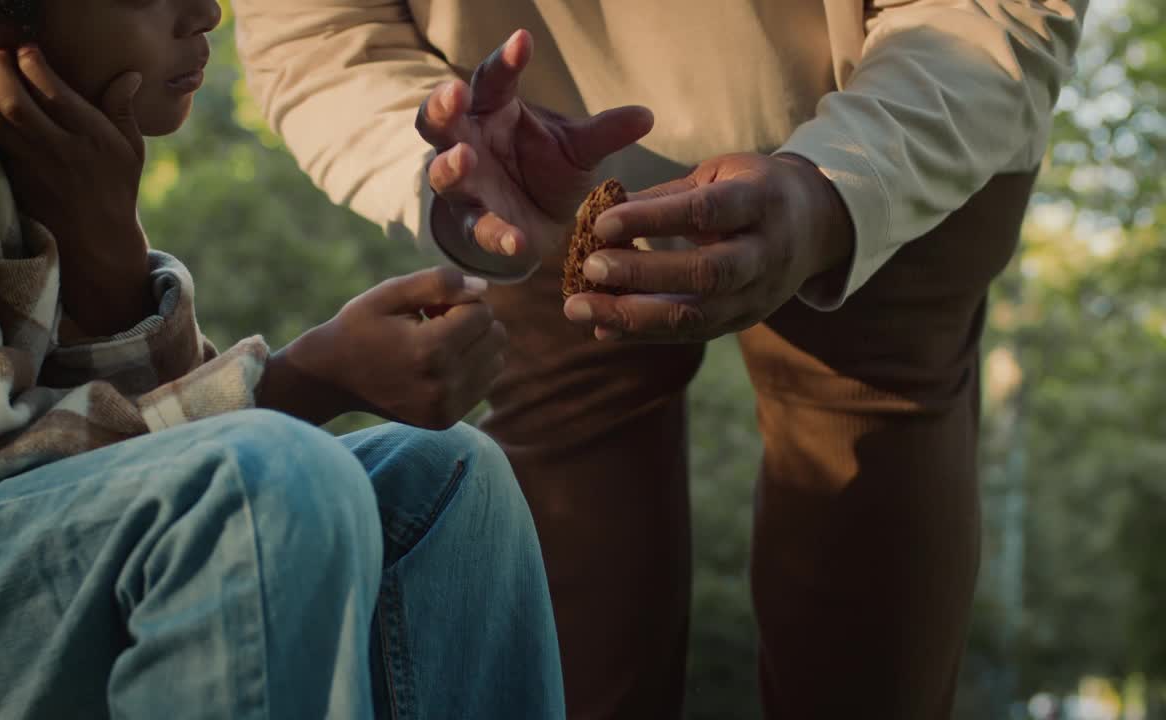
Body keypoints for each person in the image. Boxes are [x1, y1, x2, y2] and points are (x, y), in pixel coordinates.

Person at [232, 1, 1089, 717]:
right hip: (523, 163)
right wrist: (442, 174)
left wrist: (836, 190)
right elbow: (315, 30)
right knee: (570, 460)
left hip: (898, 107)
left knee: (871, 416)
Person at [0, 1, 565, 718]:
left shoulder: (53, 160)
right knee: (261, 479)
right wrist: (299, 383)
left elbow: (132, 482)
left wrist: (110, 267)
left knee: (447, 473)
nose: (206, 12)